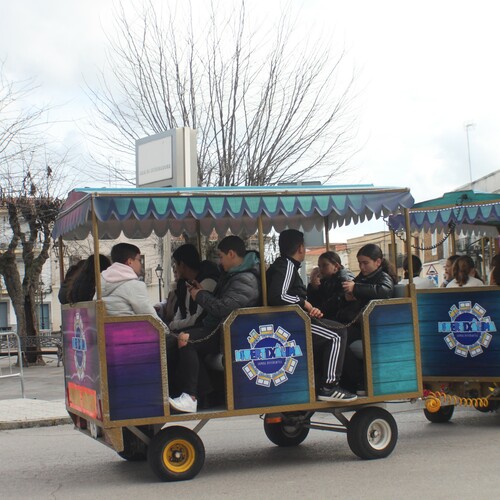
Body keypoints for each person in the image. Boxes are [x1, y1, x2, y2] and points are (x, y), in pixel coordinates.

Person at [168, 236, 261, 413]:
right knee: (176, 341)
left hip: (232, 334)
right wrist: (201, 292)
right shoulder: (233, 275)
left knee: (185, 339)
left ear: (231, 254)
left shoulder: (245, 279)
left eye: (221, 256)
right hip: (222, 329)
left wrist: (200, 296)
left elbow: (223, 308)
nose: (219, 261)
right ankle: (205, 394)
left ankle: (191, 397)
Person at [267, 229, 356, 402]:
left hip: (290, 320)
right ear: (301, 248)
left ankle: (318, 381)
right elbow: (278, 295)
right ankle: (329, 387)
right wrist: (305, 304)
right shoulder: (287, 265)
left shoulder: (284, 265)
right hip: (289, 324)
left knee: (332, 329)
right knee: (337, 334)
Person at [168, 244, 220, 332]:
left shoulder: (207, 283)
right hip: (184, 329)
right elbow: (180, 310)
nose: (175, 269)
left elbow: (199, 317)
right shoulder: (183, 283)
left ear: (182, 265)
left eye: (176, 264)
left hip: (200, 330)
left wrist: (175, 325)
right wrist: (174, 325)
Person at [100, 243, 159, 317]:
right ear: (130, 261)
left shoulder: (100, 282)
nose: (140, 264)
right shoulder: (135, 286)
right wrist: (166, 328)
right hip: (129, 328)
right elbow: (152, 317)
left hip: (106, 328)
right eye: (139, 260)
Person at [311, 251, 354, 320]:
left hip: (342, 320)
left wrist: (319, 310)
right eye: (319, 266)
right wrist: (313, 287)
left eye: (325, 265)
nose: (321, 269)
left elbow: (335, 303)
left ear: (336, 266)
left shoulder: (344, 280)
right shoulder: (326, 279)